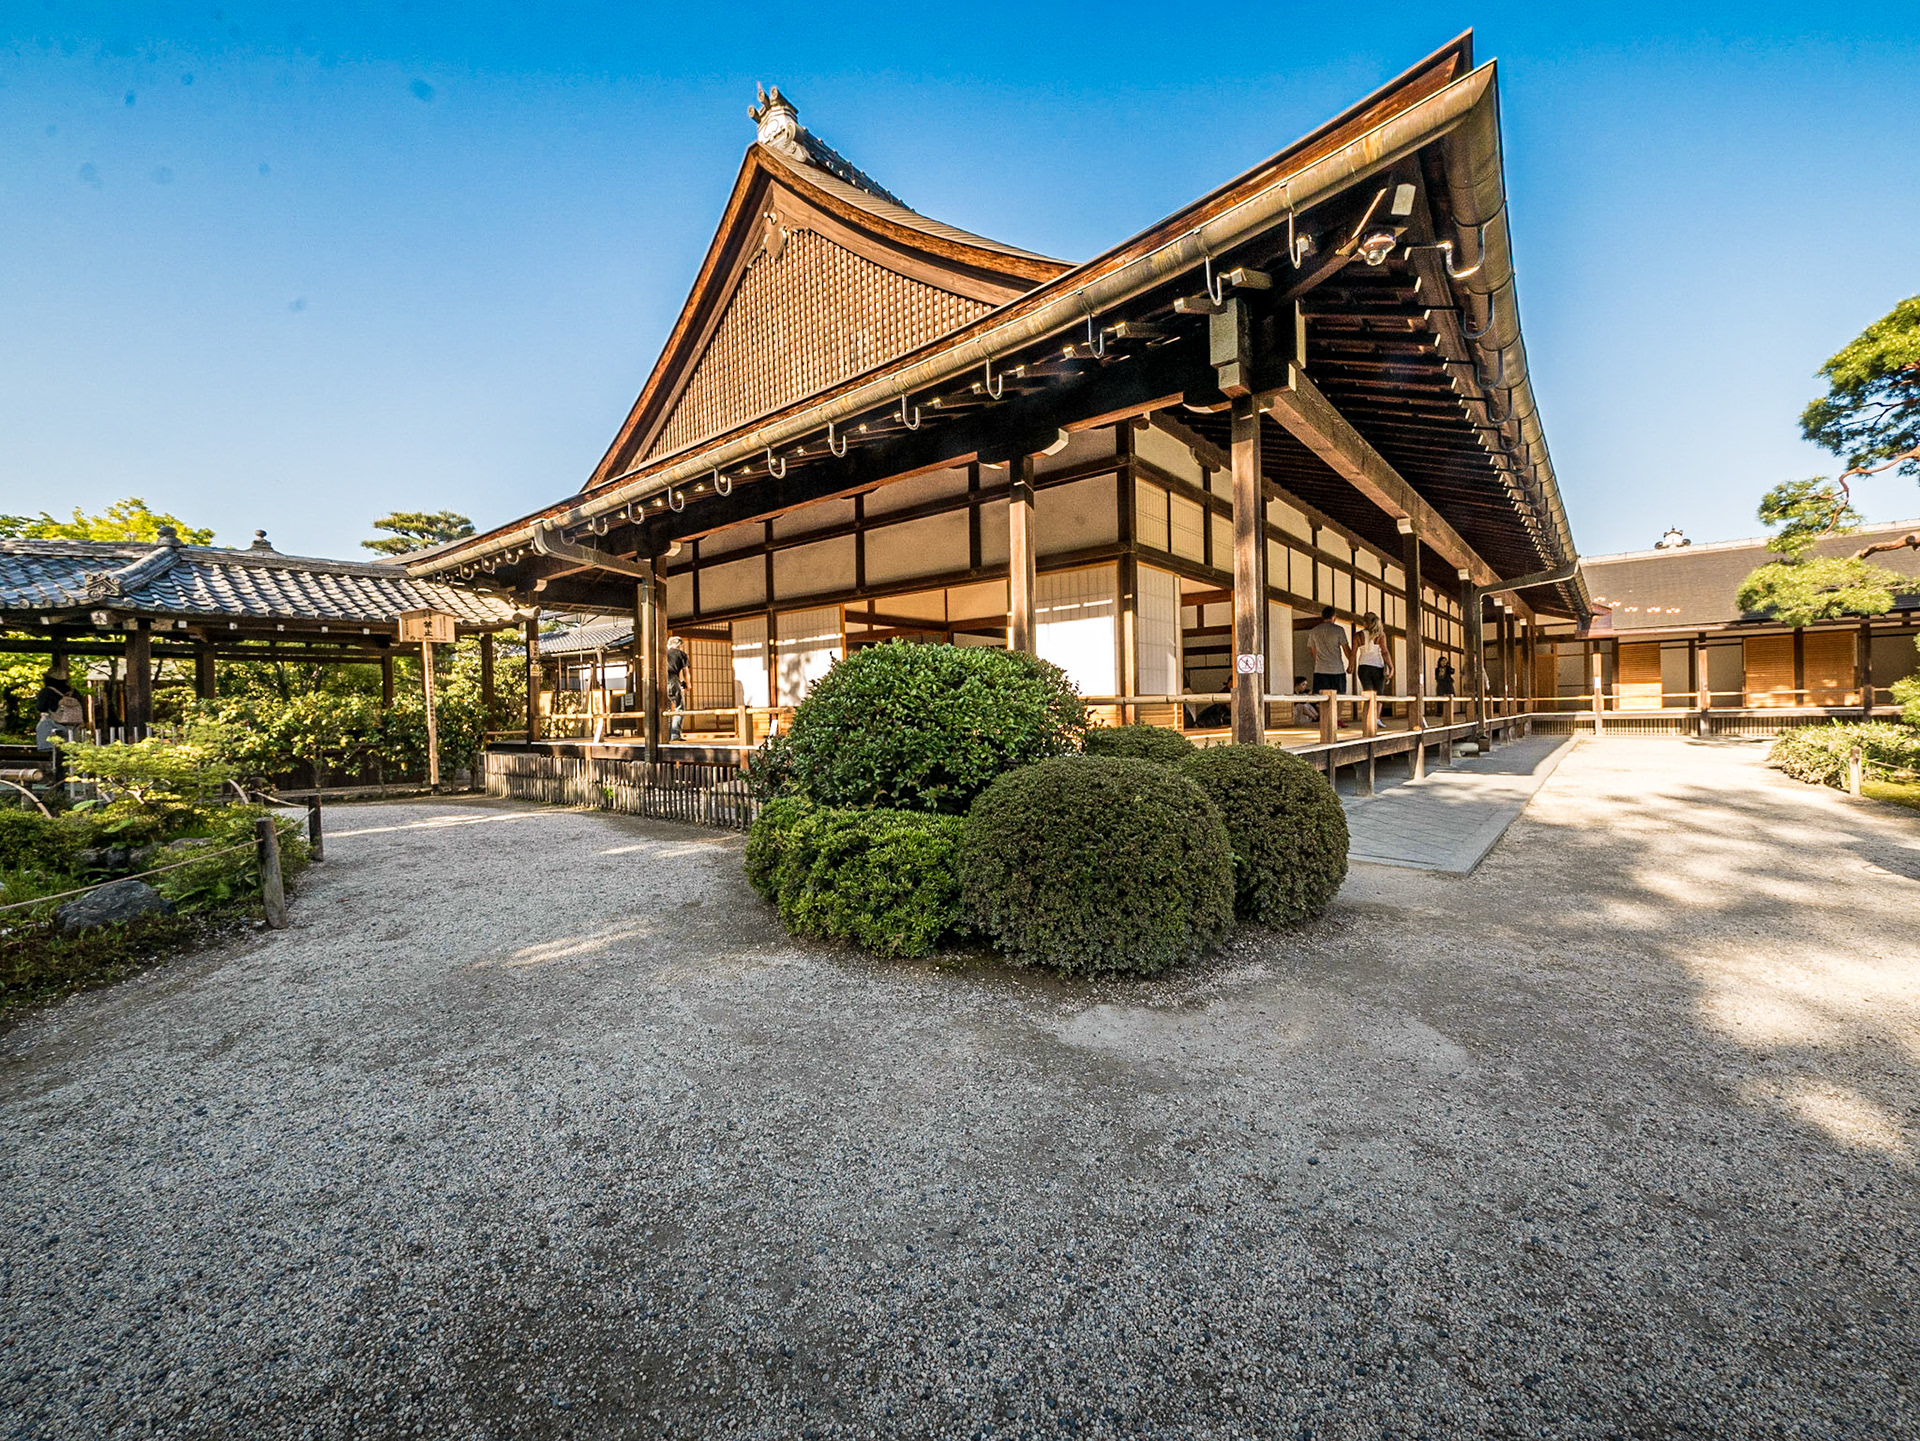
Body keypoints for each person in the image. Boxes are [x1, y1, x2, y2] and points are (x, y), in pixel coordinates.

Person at [34, 670, 84, 753]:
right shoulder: (74, 692)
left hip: (52, 724)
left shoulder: (47, 692)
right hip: (74, 725)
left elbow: (40, 707)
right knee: (71, 749)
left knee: (48, 744)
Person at [1304, 606, 1350, 696]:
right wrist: (1351, 663)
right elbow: (1346, 649)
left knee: (1322, 697)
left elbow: (1312, 650)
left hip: (1320, 669)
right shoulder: (1339, 630)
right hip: (1337, 669)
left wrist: (1319, 659)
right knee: (1339, 697)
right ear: (1334, 616)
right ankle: (1338, 711)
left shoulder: (1314, 631)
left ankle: (1323, 711)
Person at [1354, 612, 1393, 694]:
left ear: (1365, 623)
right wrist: (1391, 666)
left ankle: (1368, 707)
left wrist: (1351, 665)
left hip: (1363, 667)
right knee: (1379, 695)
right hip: (1377, 667)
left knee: (1368, 695)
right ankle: (1377, 708)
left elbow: (1353, 653)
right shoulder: (1381, 635)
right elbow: (1385, 652)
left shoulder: (1358, 635)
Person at [665, 636, 691, 742]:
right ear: (679, 645)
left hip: (660, 682)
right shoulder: (682, 654)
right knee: (679, 707)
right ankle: (675, 735)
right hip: (672, 680)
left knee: (665, 709)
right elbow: (686, 672)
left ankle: (665, 734)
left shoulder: (663, 653)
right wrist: (688, 684)